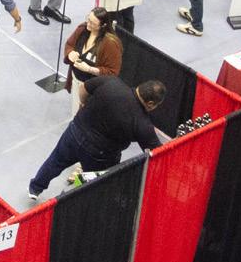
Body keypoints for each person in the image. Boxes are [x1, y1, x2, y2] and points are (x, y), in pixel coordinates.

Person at [28, 76, 164, 198]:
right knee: (94, 184)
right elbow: (159, 153)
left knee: (56, 160)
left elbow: (83, 88)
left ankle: (35, 188)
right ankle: (72, 196)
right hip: (99, 154)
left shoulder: (111, 82)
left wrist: (83, 103)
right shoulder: (142, 123)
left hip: (75, 131)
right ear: (150, 104)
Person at [65, 8, 122, 114]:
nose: (88, 24)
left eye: (92, 23)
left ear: (102, 26)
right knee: (75, 112)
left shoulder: (111, 44)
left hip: (93, 89)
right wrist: (70, 53)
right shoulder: (82, 29)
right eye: (88, 19)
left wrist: (90, 69)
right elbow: (69, 44)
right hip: (76, 80)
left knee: (87, 116)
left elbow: (113, 72)